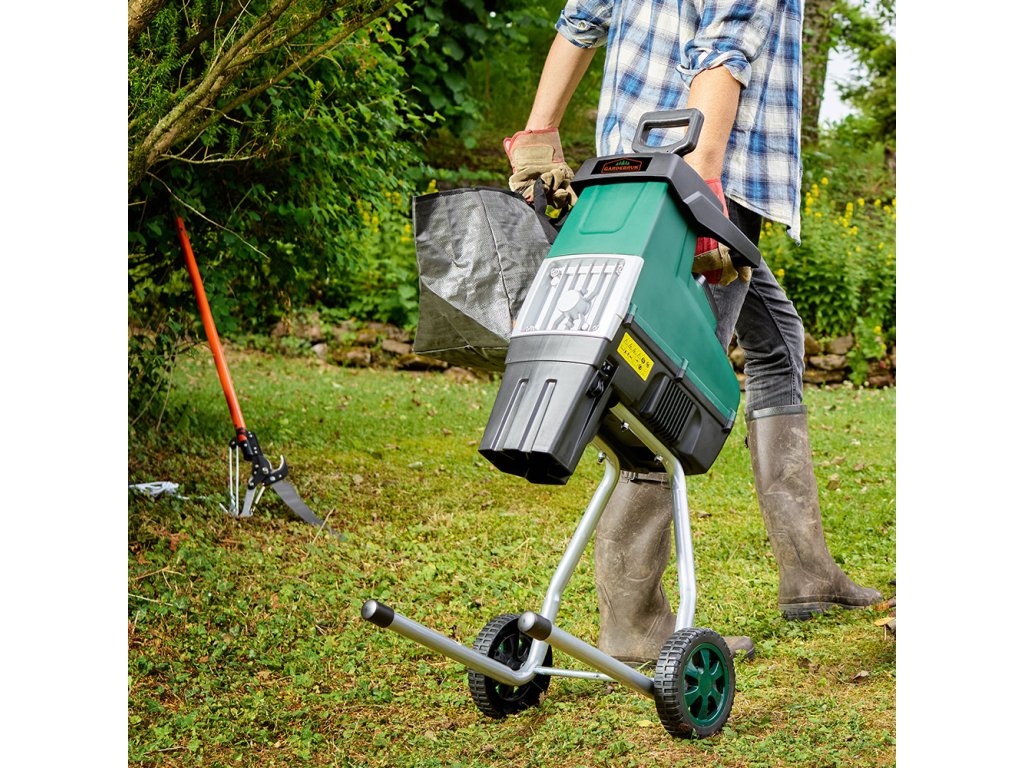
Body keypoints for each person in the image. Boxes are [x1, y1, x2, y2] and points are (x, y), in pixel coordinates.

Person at [503, 0, 882, 663]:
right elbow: (723, 49)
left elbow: (582, 18)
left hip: (628, 172)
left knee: (776, 342)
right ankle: (634, 623)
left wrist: (539, 135)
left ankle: (809, 573)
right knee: (661, 386)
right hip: (703, 177)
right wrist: (703, 187)